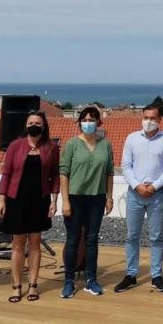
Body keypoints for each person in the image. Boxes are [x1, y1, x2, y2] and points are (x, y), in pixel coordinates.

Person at [0, 111, 60, 302]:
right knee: (17, 244)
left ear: (44, 126)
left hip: (40, 200)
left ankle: (33, 285)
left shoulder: (51, 147)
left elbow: (55, 175)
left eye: (38, 123)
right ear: (26, 126)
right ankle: (16, 286)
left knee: (35, 243)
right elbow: (6, 174)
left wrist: (54, 201)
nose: (34, 125)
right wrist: (2, 200)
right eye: (31, 122)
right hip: (16, 199)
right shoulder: (16, 146)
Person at [115, 104, 163, 294]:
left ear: (159, 120)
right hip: (134, 193)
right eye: (145, 117)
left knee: (156, 237)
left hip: (157, 194)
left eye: (152, 118)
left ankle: (156, 275)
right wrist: (137, 185)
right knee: (131, 236)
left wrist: (154, 186)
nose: (148, 121)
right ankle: (131, 274)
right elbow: (125, 165)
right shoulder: (132, 139)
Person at [59, 105, 115, 299]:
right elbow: (63, 173)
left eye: (92, 120)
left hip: (97, 198)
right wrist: (65, 200)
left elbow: (109, 173)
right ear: (79, 123)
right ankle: (68, 281)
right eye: (85, 120)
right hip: (74, 198)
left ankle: (91, 279)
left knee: (92, 240)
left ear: (99, 123)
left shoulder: (105, 145)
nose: (88, 123)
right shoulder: (72, 144)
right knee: (73, 240)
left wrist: (109, 196)